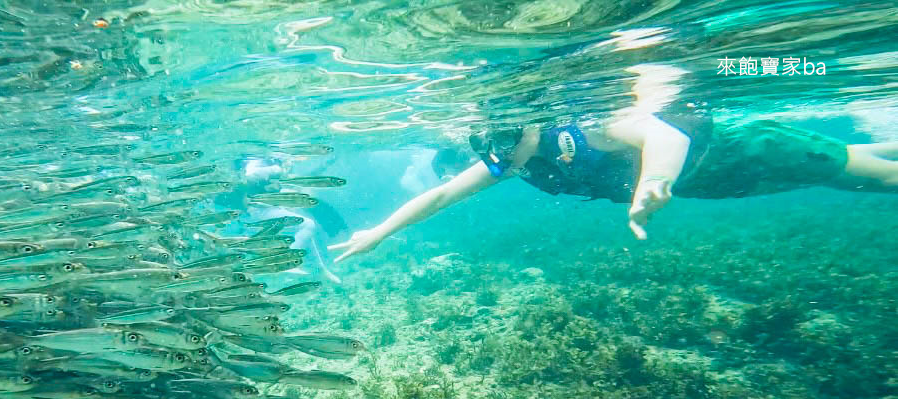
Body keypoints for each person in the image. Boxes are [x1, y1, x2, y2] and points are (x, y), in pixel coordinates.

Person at [329, 68, 898, 263]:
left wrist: (653, 182)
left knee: (868, 174)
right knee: (853, 173)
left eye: (504, 136)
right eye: (487, 146)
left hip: (742, 149)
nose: (498, 153)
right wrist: (378, 232)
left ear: (530, 118)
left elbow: (662, 132)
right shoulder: (518, 162)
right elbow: (439, 197)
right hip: (722, 182)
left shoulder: (583, 126)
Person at [226, 157, 348, 283]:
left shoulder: (271, 165)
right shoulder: (264, 164)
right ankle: (284, 260)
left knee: (305, 232)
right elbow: (250, 179)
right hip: (255, 210)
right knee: (306, 225)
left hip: (265, 206)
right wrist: (277, 170)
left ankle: (318, 269)